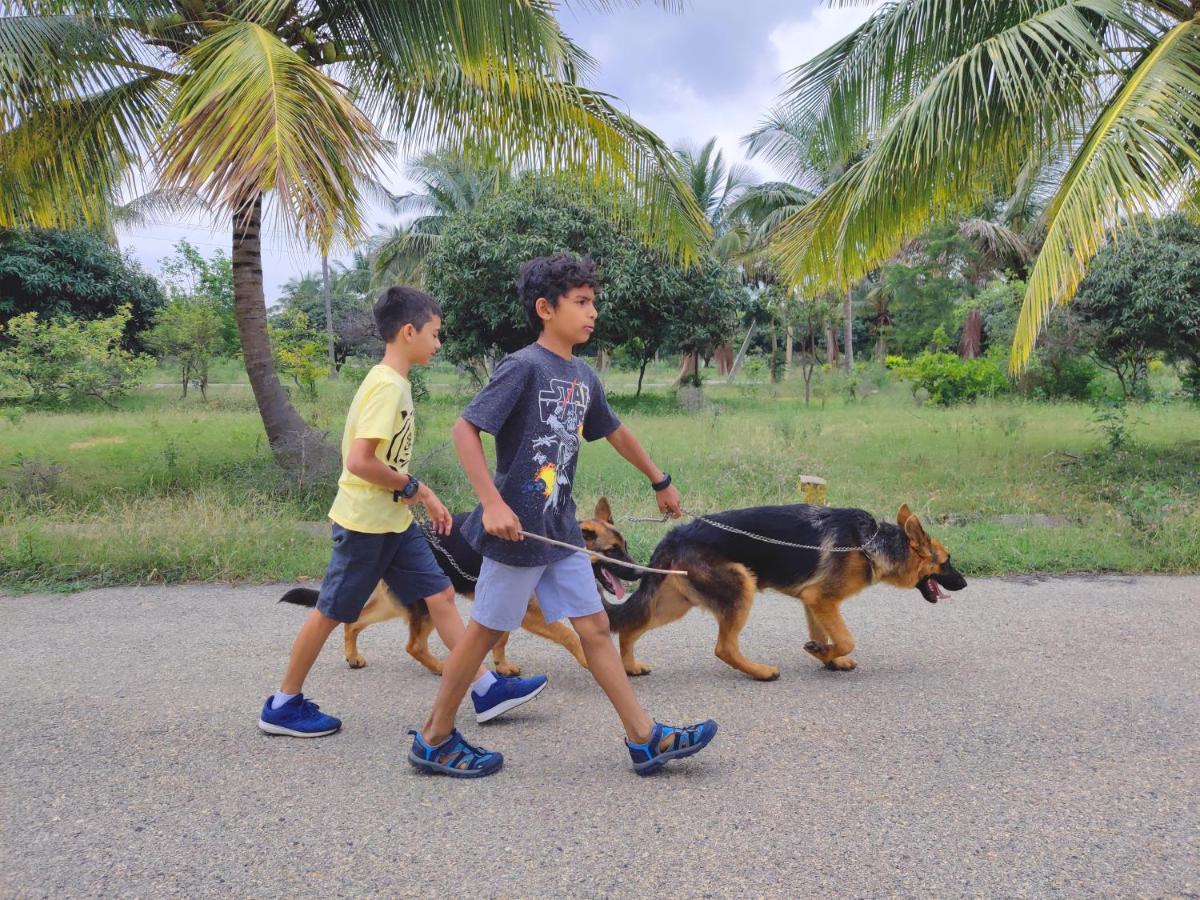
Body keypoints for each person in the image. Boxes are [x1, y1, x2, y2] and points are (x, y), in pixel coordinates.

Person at [407, 254, 717, 777]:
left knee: (595, 630)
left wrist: (659, 479)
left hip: (559, 528)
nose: (593, 312)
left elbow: (613, 429)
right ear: (546, 309)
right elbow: (466, 429)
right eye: (581, 302)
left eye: (593, 301)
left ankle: (644, 738)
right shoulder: (524, 366)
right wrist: (491, 502)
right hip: (518, 532)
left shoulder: (582, 374)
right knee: (482, 632)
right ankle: (435, 739)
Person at [258, 286, 548, 738]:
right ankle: (283, 703)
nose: (438, 343)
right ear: (409, 331)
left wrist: (421, 497)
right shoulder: (387, 387)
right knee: (332, 611)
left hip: (393, 520)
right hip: (366, 523)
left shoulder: (393, 382)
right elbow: (360, 461)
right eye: (434, 334)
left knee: (443, 596)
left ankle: (486, 688)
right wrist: (416, 487)